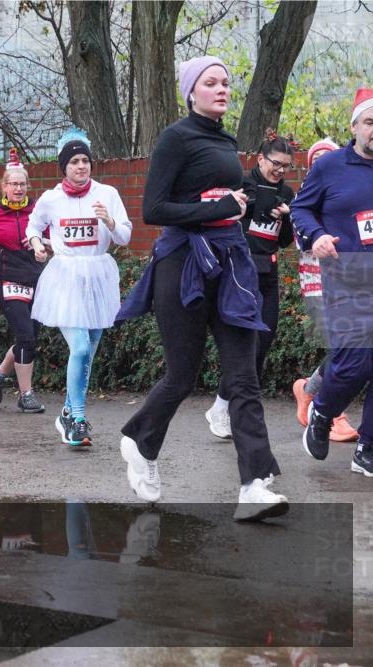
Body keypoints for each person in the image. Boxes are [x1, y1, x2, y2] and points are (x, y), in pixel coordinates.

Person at [115, 56, 288, 521]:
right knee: (182, 376)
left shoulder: (225, 141)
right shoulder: (175, 137)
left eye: (226, 83)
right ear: (191, 92)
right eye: (210, 83)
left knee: (244, 376)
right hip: (182, 263)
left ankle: (254, 485)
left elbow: (227, 202)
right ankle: (139, 440)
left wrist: (248, 206)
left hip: (230, 263)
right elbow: (154, 209)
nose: (222, 89)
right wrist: (214, 209)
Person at [26, 129, 132, 446]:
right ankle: (79, 418)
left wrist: (110, 222)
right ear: (64, 167)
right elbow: (33, 225)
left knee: (89, 352)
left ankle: (68, 415)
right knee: (81, 348)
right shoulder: (51, 198)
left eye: (85, 160)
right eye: (74, 161)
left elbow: (125, 236)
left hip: (98, 275)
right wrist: (36, 245)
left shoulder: (108, 194)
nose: (81, 166)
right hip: (66, 276)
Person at [294, 87, 373, 478]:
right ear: (355, 126)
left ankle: (368, 448)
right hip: (347, 278)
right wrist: (316, 236)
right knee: (354, 361)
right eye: (370, 122)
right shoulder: (330, 167)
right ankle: (322, 412)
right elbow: (300, 208)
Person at [204, 131, 298, 439]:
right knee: (246, 344)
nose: (280, 170)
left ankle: (227, 405)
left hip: (267, 274)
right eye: (275, 163)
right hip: (239, 272)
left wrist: (286, 217)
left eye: (286, 165)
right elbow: (225, 222)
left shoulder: (288, 195)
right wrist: (249, 209)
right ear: (260, 159)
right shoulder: (242, 186)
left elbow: (284, 242)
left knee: (264, 341)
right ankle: (225, 408)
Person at [290, 138, 360, 442]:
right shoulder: (307, 198)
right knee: (343, 350)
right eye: (314, 158)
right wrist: (317, 236)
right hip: (317, 281)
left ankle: (307, 391)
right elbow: (299, 238)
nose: (320, 162)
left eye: (325, 157)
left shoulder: (348, 191)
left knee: (349, 349)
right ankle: (332, 413)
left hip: (350, 280)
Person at [0, 149, 46, 414]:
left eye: (22, 184)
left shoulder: (38, 210)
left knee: (29, 337)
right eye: (13, 184)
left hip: (37, 278)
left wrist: (45, 246)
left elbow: (55, 237)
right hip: (7, 278)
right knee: (26, 337)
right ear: (4, 187)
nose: (18, 188)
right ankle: (26, 395)